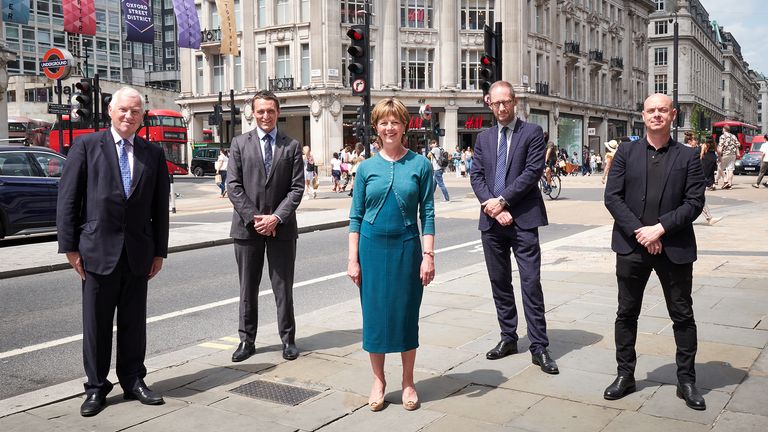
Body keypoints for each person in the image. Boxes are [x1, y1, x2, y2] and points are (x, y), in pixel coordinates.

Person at [56, 86, 170, 417]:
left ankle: (133, 379)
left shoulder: (153, 153)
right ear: (110, 110)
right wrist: (70, 247)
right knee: (97, 324)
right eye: (123, 110)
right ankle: (96, 387)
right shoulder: (87, 146)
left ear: (141, 115)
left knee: (134, 323)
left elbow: (159, 207)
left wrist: (159, 251)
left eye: (135, 111)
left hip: (138, 253)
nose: (128, 116)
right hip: (95, 252)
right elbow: (68, 200)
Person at [603, 93, 706, 410]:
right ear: (643, 114)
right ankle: (625, 375)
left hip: (673, 247)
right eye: (651, 110)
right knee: (626, 313)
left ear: (673, 115)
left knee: (682, 315)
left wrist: (660, 229)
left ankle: (686, 381)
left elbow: (694, 203)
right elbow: (613, 197)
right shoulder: (625, 152)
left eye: (663, 110)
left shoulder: (688, 156)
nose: (657, 115)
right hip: (632, 246)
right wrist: (641, 232)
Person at [347, 97, 435, 412]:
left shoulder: (421, 165)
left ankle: (408, 381)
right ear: (376, 127)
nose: (389, 127)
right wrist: (352, 258)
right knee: (374, 318)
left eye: (395, 122)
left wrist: (428, 255)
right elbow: (355, 216)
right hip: (371, 249)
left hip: (407, 248)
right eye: (383, 122)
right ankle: (378, 380)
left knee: (405, 316)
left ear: (404, 126)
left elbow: (428, 212)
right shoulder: (366, 168)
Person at [469, 80, 558, 374]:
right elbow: (477, 176)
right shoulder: (483, 138)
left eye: (506, 102)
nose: (501, 108)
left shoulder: (531, 133)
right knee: (500, 282)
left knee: (530, 282)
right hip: (492, 222)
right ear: (489, 104)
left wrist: (503, 202)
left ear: (515, 101)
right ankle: (508, 338)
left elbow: (532, 173)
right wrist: (493, 209)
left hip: (523, 219)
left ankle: (539, 346)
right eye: (496, 103)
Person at [226, 90, 305, 363]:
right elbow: (233, 186)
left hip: (282, 229)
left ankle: (288, 340)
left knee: (283, 287)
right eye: (260, 111)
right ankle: (247, 341)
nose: (265, 116)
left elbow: (297, 189)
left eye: (270, 111)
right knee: (247, 288)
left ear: (278, 112)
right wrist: (256, 219)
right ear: (253, 113)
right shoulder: (239, 143)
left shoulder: (291, 146)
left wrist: (275, 218)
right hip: (247, 229)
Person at [717, 125, 739, 189]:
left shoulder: (722, 136)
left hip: (725, 154)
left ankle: (725, 181)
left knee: (719, 167)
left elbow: (720, 146)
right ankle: (730, 184)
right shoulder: (733, 136)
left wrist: (719, 155)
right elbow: (738, 144)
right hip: (733, 155)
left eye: (722, 129)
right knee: (730, 170)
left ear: (724, 129)